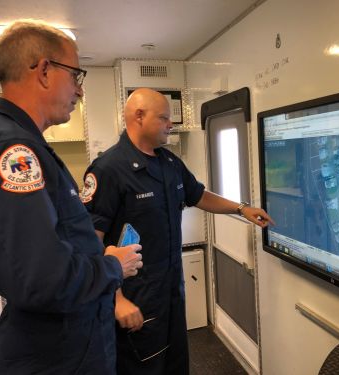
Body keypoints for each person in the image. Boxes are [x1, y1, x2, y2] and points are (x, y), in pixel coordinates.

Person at [0, 20, 143, 375]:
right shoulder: (15, 152)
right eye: (76, 76)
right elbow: (42, 280)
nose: (80, 91)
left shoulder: (21, 142)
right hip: (56, 357)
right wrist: (113, 265)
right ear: (43, 71)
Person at [81, 88, 274, 374]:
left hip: (170, 290)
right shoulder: (109, 169)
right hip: (134, 297)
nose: (172, 125)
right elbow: (88, 242)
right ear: (138, 117)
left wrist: (241, 208)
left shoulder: (169, 163)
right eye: (164, 118)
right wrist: (115, 300)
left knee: (175, 364)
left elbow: (198, 195)